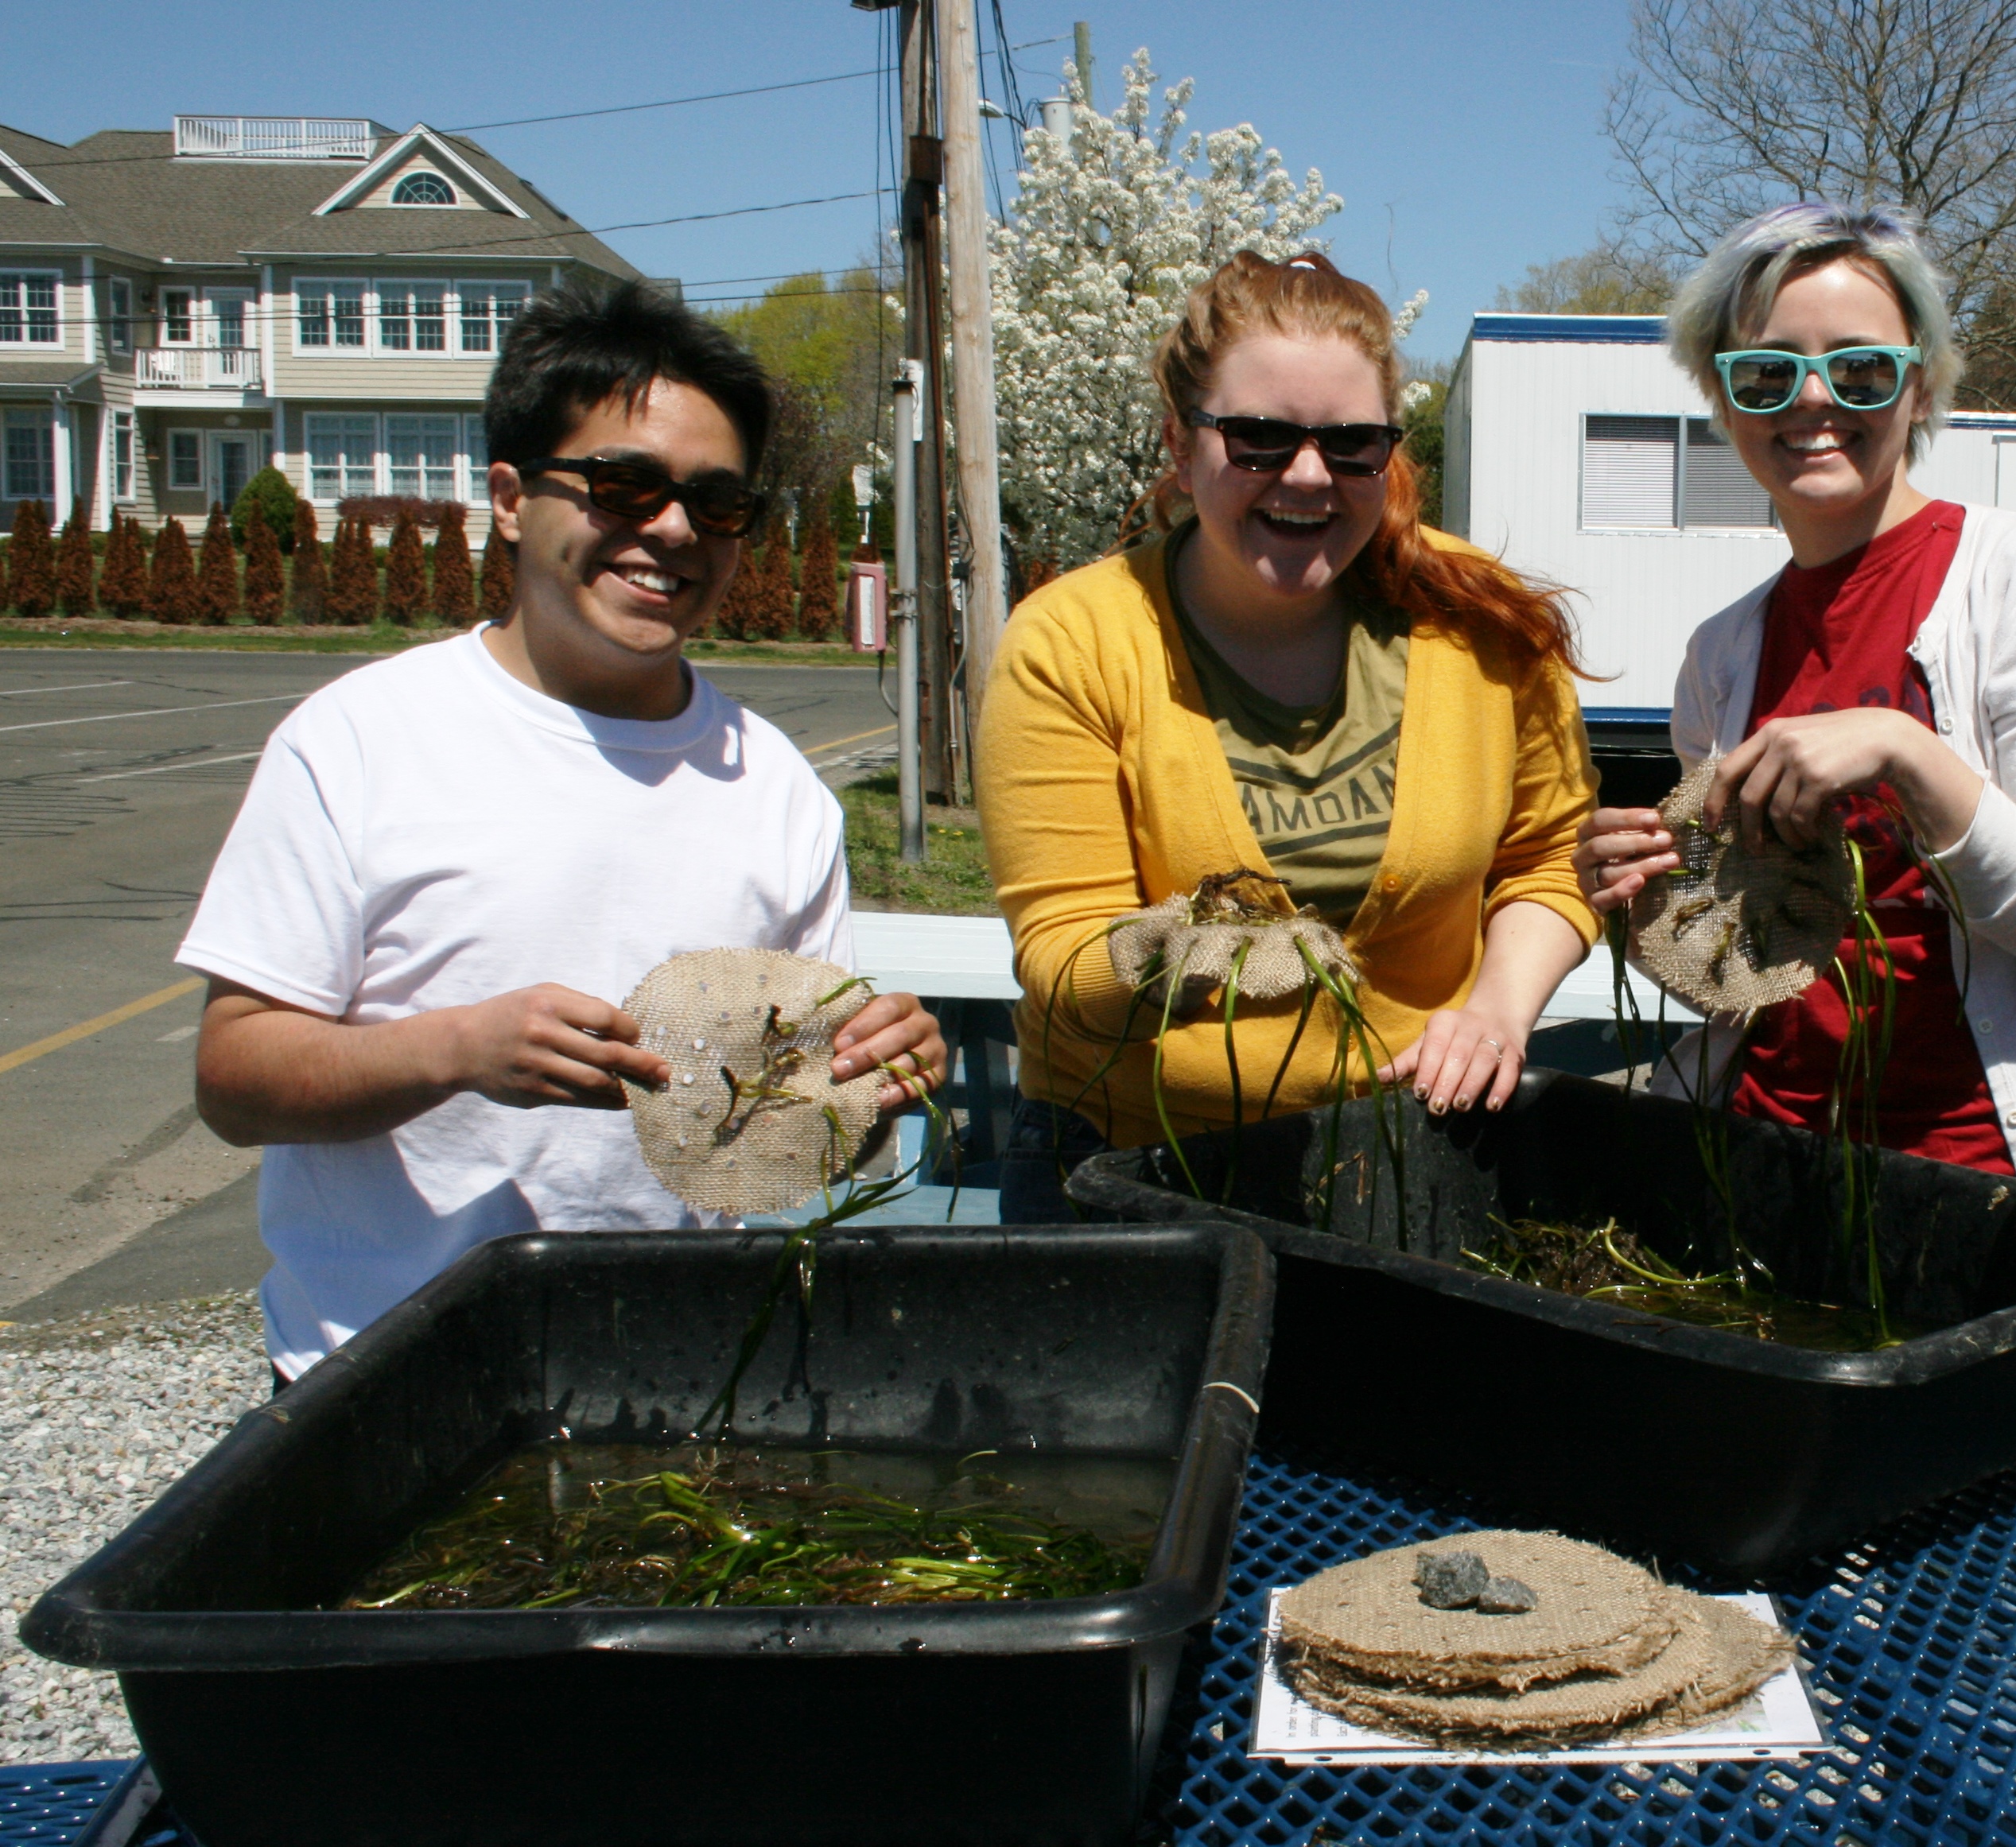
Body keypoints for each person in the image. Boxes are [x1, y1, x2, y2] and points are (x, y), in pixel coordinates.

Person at [180, 282, 946, 1387]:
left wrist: (877, 1081)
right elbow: (233, 1078)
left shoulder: (775, 783)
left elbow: (800, 1139)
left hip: (677, 1371)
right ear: (509, 499)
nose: (672, 528)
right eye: (625, 485)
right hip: (383, 1369)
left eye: (716, 502)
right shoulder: (361, 738)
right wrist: (455, 1050)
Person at [982, 250, 1596, 1220]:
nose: (1308, 475)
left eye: (1352, 444)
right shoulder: (1074, 638)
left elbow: (1547, 859)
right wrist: (1190, 957)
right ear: (1181, 444)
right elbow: (1060, 952)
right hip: (1128, 1156)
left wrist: (1494, 1011)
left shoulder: (1480, 618)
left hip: (1407, 1144)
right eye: (1259, 438)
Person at [1571, 203, 2016, 1174]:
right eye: (1766, 373)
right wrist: (1640, 915)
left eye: (1861, 370)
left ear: (1919, 388)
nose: (1813, 400)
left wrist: (1905, 751)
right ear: (1724, 402)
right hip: (1763, 1146)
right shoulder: (1721, 653)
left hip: (1970, 1169)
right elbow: (1751, 974)